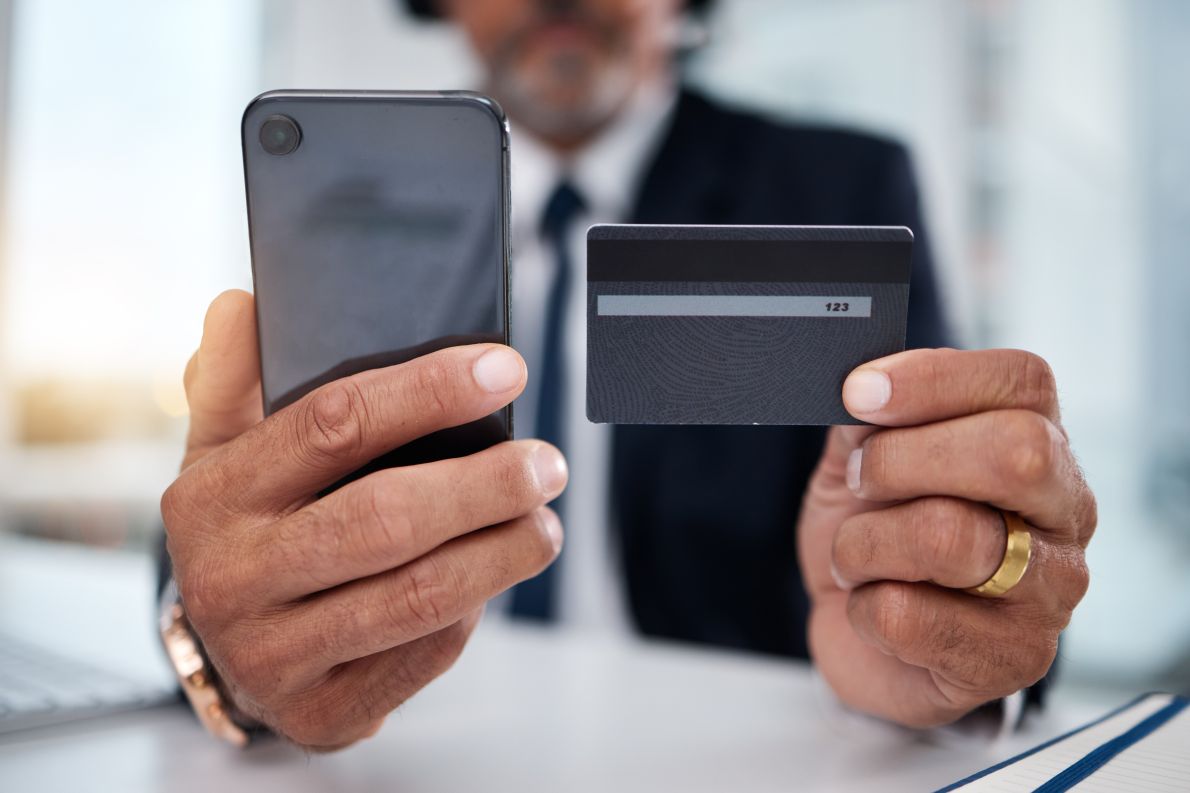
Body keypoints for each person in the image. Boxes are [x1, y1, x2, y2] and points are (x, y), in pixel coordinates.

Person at [159, 0, 1097, 750]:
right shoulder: (341, 206)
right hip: (421, 754)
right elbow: (227, 556)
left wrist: (951, 635)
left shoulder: (839, 184)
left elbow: (974, 547)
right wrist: (231, 663)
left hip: (754, 756)